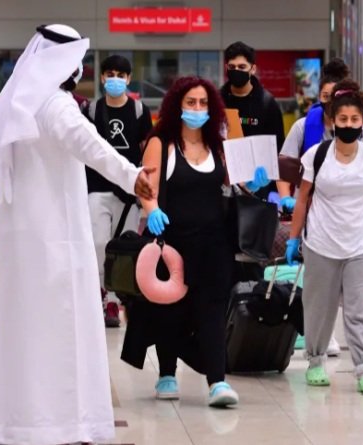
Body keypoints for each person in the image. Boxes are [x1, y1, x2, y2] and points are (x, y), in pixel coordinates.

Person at [0, 24, 155, 445]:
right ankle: (65, 424)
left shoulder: (18, 101)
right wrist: (132, 176)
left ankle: (23, 423)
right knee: (64, 331)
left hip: (24, 245)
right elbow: (93, 147)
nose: (81, 69)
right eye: (77, 61)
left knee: (27, 331)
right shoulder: (56, 105)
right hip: (57, 242)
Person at [120, 76, 268, 408]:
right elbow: (147, 187)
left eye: (203, 103)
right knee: (170, 309)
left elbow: (236, 184)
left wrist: (256, 185)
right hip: (172, 241)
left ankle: (217, 381)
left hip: (214, 243)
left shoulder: (218, 145)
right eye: (191, 102)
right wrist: (152, 211)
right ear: (178, 105)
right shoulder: (162, 143)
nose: (197, 109)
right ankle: (167, 373)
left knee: (212, 311)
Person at [285, 79, 363, 394]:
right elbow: (302, 199)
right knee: (319, 308)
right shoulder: (316, 155)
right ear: (332, 121)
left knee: (359, 311)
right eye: (343, 119)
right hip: (321, 243)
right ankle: (315, 361)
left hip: (362, 243)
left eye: (355, 119)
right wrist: (293, 237)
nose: (349, 125)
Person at [278, 58, 363, 356]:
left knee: (352, 288)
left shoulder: (359, 132)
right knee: (321, 283)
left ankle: (360, 359)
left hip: (352, 221)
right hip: (314, 216)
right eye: (326, 97)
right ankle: (322, 338)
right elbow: (284, 168)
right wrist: (285, 198)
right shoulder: (304, 127)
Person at [85, 54, 153, 328]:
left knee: (123, 246)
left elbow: (147, 149)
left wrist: (145, 187)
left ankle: (114, 300)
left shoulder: (139, 111)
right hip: (97, 188)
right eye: (110, 74)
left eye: (120, 75)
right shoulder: (91, 110)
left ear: (128, 79)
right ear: (102, 77)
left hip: (128, 193)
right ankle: (100, 293)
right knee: (99, 243)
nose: (115, 79)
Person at [220, 41, 285, 173]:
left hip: (258, 176)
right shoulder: (217, 100)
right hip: (222, 176)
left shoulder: (267, 103)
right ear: (226, 68)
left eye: (242, 67)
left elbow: (277, 146)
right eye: (232, 67)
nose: (236, 71)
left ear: (253, 69)